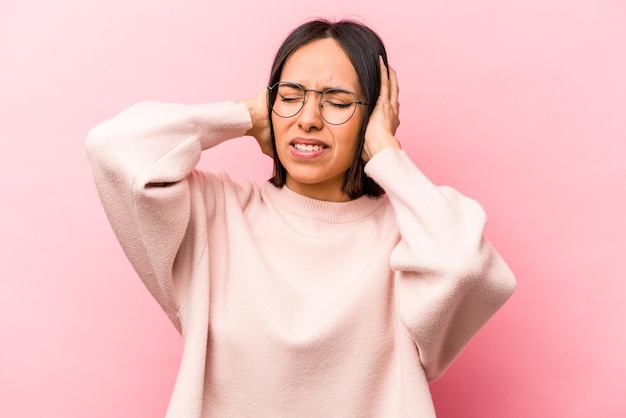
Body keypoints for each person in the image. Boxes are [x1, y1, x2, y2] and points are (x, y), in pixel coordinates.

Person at [86, 18, 516, 418]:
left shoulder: (409, 236)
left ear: (371, 117)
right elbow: (112, 147)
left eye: (337, 102)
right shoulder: (215, 214)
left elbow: (464, 267)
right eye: (290, 97)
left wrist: (386, 152)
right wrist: (248, 115)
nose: (307, 119)